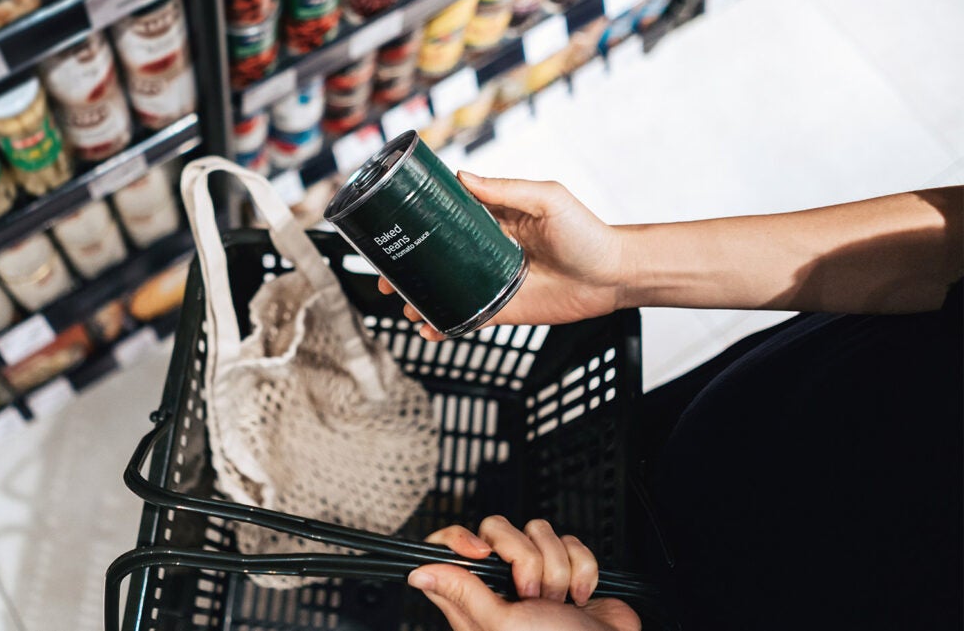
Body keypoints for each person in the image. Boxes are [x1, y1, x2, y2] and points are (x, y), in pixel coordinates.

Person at [380, 174, 963, 630]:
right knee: (504, 508)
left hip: (703, 607)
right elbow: (949, 244)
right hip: (688, 439)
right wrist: (618, 270)